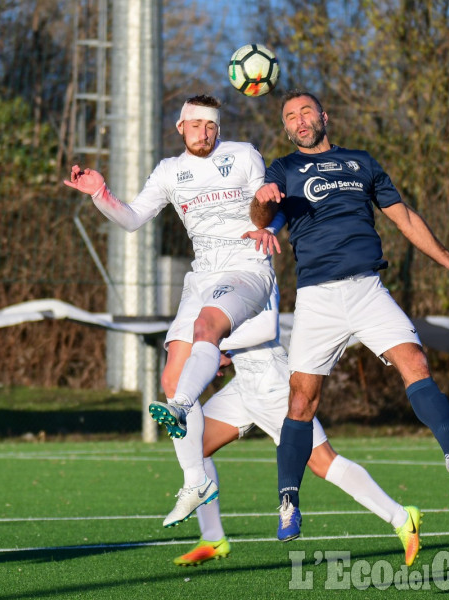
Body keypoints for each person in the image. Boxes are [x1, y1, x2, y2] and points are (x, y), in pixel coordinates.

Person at [250, 90, 449, 542]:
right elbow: (262, 216)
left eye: (306, 111)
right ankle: (288, 500)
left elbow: (403, 216)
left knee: (416, 362)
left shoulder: (361, 162)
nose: (300, 120)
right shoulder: (282, 170)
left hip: (368, 289)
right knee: (301, 403)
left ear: (324, 116)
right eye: (291, 116)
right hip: (318, 298)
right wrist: (263, 199)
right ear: (288, 128)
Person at [64, 94, 280, 530]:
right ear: (180, 127)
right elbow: (130, 219)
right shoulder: (169, 171)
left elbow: (267, 204)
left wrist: (270, 227)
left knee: (201, 338)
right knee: (169, 379)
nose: (205, 131)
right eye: (196, 124)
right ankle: (195, 480)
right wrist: (100, 194)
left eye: (212, 125)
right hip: (202, 277)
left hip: (246, 266)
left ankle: (183, 406)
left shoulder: (243, 156)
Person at [171, 318, 422, 568]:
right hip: (244, 384)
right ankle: (213, 538)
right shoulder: (217, 281)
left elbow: (264, 327)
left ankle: (401, 517)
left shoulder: (258, 276)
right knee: (195, 446)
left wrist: (217, 344)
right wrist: (220, 350)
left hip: (272, 385)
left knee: (324, 463)